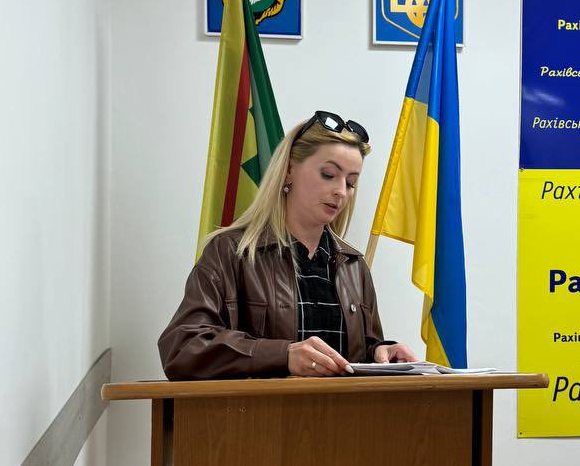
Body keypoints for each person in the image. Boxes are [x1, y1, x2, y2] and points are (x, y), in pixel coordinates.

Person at [158, 111, 417, 379]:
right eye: (328, 174)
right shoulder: (231, 252)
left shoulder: (354, 266)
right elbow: (182, 348)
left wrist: (381, 352)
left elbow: (355, 358)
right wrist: (283, 356)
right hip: (264, 408)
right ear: (289, 170)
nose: (341, 191)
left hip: (343, 408)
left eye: (351, 182)